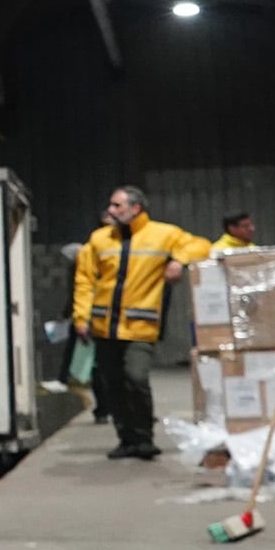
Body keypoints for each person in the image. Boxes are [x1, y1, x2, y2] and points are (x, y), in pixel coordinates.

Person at [72, 185, 211, 460]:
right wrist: (81, 317)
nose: (111, 211)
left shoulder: (163, 234)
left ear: (136, 209)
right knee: (113, 384)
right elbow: (85, 280)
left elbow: (201, 246)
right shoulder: (100, 239)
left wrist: (178, 261)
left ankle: (144, 437)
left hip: (139, 327)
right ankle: (126, 440)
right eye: (111, 206)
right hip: (104, 327)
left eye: (117, 206)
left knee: (136, 379)